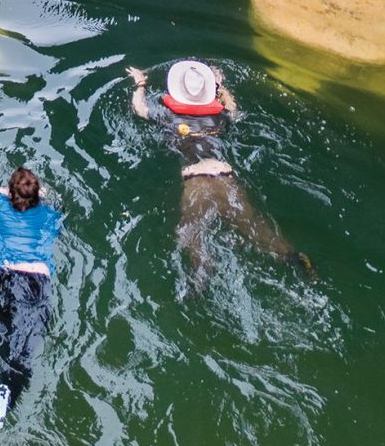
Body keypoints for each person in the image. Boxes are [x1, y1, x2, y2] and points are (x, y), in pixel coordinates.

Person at [126, 60, 312, 293]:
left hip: (195, 181)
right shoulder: (220, 117)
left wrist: (140, 84)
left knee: (191, 234)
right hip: (225, 176)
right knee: (254, 228)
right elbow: (234, 110)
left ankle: (202, 271)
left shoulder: (167, 115)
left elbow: (140, 109)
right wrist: (221, 87)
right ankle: (293, 257)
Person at [0, 166, 62, 432]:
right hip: (33, 283)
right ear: (37, 195)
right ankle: (5, 391)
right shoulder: (50, 215)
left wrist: (8, 193)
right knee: (22, 351)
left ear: (10, 193)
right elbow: (56, 229)